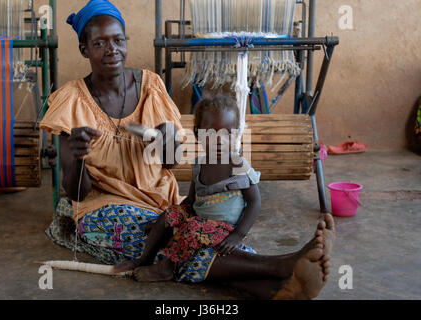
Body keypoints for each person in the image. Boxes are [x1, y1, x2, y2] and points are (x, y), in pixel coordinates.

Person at [40, 0, 336, 299]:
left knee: (197, 234)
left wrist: (167, 140)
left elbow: (168, 163)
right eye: (100, 43)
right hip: (105, 208)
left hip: (160, 202)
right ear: (84, 49)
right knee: (165, 244)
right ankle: (280, 267)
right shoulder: (70, 101)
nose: (112, 49)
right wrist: (78, 157)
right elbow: (77, 192)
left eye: (118, 40)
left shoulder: (150, 86)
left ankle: (278, 291)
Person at [114, 94, 261, 281]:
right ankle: (144, 258)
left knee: (193, 227)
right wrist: (167, 222)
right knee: (170, 214)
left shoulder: (238, 166)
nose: (220, 140)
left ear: (237, 133)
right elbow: (191, 201)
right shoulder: (200, 164)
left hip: (226, 229)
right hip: (200, 220)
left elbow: (255, 202)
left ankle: (166, 268)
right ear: (198, 133)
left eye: (228, 133)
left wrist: (238, 234)